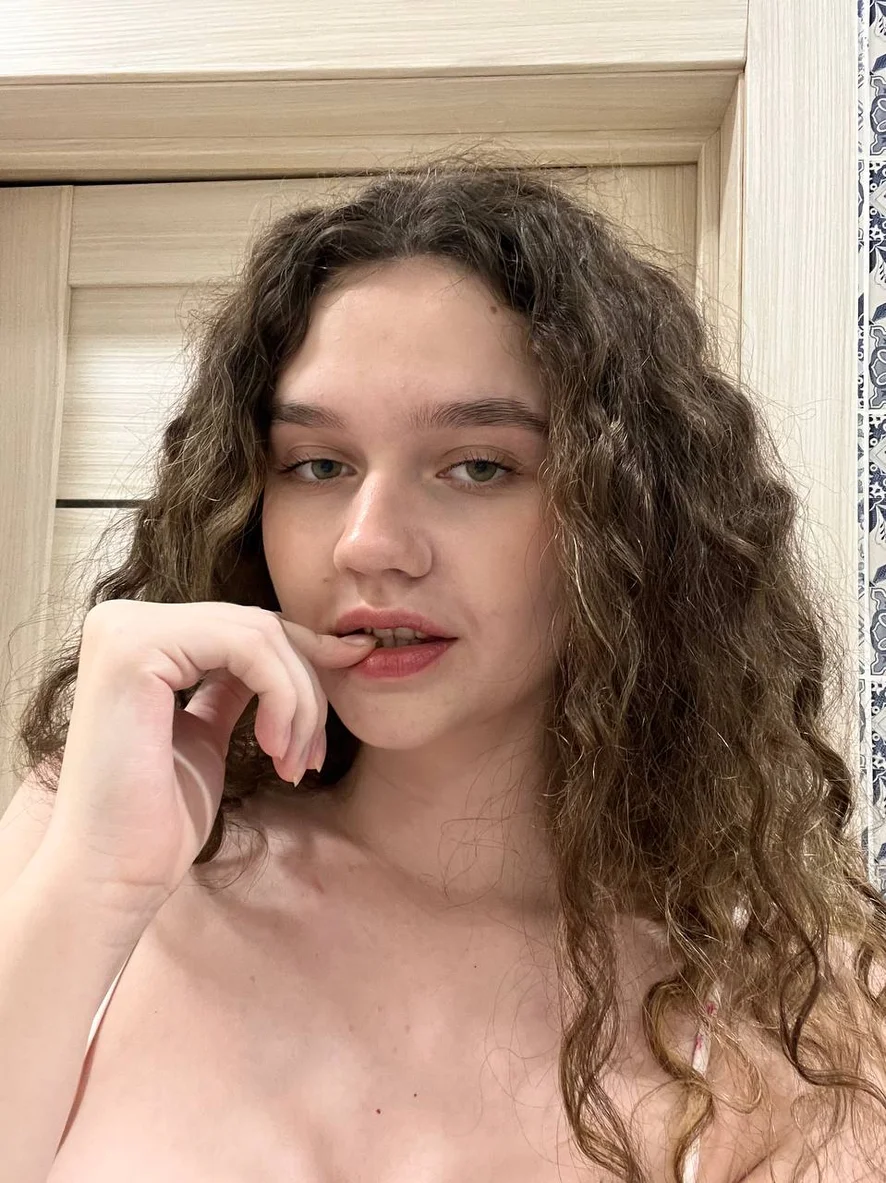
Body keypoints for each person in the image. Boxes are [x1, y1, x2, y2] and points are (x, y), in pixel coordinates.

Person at [0, 152, 884, 1183]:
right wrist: (97, 881)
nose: (369, 543)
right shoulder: (81, 846)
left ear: (630, 519)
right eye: (318, 465)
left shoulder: (797, 1025)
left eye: (478, 466)